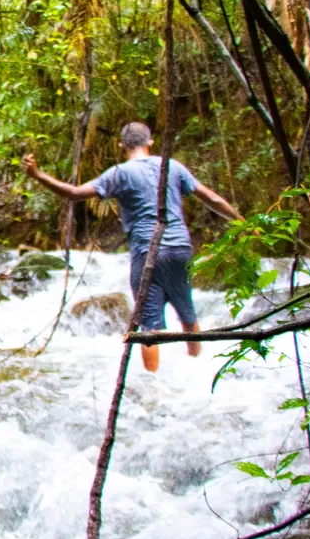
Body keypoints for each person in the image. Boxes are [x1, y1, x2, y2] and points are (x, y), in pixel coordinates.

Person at [22, 121, 241, 372]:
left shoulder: (119, 173)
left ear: (121, 145)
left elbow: (74, 193)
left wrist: (38, 175)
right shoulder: (173, 166)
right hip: (180, 249)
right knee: (188, 315)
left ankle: (153, 383)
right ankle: (199, 372)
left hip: (147, 253)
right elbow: (212, 199)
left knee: (149, 328)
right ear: (150, 143)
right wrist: (243, 223)